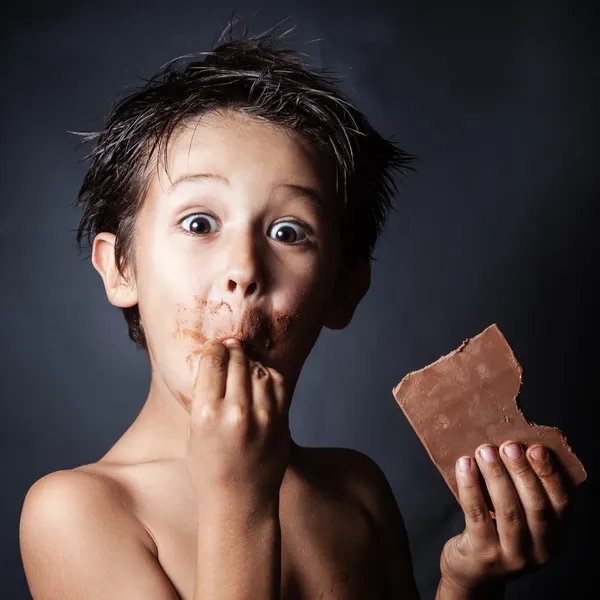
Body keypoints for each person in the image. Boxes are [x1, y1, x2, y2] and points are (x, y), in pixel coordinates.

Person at [19, 22, 573, 600]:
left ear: (343, 291)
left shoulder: (357, 490)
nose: (244, 268)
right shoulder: (77, 513)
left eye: (288, 231)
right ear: (121, 267)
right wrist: (240, 503)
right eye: (199, 223)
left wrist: (468, 582)